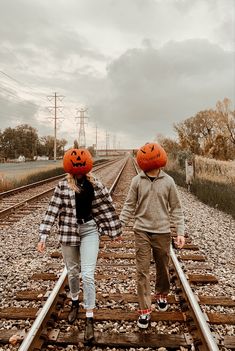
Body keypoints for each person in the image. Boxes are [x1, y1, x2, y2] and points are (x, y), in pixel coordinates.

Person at [37, 148, 122, 343]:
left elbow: (107, 207)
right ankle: (75, 301)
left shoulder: (95, 184)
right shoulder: (62, 186)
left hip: (90, 230)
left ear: (87, 163)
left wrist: (114, 231)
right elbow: (52, 211)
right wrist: (43, 236)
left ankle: (89, 317)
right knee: (73, 272)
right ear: (69, 165)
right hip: (68, 232)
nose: (77, 165)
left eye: (80, 161)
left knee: (88, 274)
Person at [120, 142, 185, 329]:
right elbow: (129, 206)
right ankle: (144, 310)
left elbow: (176, 209)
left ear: (160, 158)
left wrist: (179, 232)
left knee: (163, 267)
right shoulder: (137, 181)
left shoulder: (169, 182)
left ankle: (162, 294)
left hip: (163, 231)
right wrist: (119, 226)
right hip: (141, 230)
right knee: (142, 271)